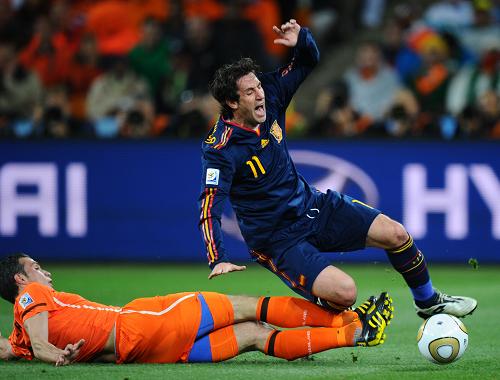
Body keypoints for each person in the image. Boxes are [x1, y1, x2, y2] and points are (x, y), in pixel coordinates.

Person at [198, 19, 477, 319]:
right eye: (250, 92)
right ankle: (310, 325)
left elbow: (308, 60)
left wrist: (302, 38)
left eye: (258, 86)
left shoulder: (272, 94)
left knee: (396, 234)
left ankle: (428, 301)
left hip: (312, 206)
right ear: (231, 101)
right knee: (345, 293)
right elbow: (210, 204)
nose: (260, 94)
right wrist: (218, 258)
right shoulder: (222, 149)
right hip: (277, 238)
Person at [0, 254, 393, 365]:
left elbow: (14, 345)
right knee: (250, 306)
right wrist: (53, 355)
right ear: (21, 280)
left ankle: (353, 335)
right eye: (35, 267)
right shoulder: (30, 296)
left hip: (152, 353)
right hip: (142, 323)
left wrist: (44, 349)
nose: (44, 271)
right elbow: (40, 341)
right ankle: (350, 318)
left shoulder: (16, 338)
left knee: (255, 334)